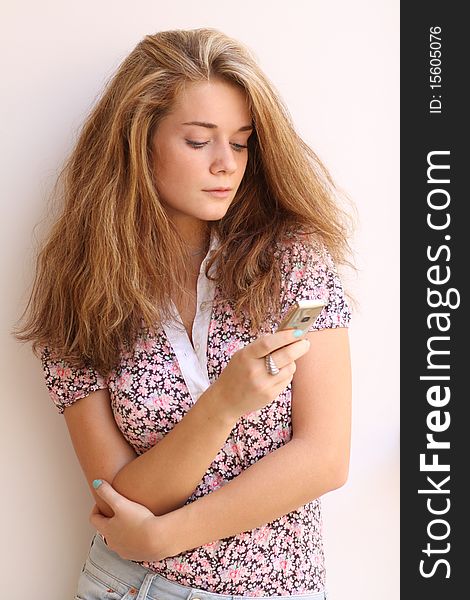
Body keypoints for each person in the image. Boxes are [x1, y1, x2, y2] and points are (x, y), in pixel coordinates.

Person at [14, 27, 353, 600]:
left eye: (241, 143)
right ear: (138, 143)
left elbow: (324, 459)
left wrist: (163, 538)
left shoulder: (292, 260)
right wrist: (223, 404)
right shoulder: (81, 291)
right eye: (199, 142)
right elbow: (120, 495)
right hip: (130, 587)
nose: (227, 164)